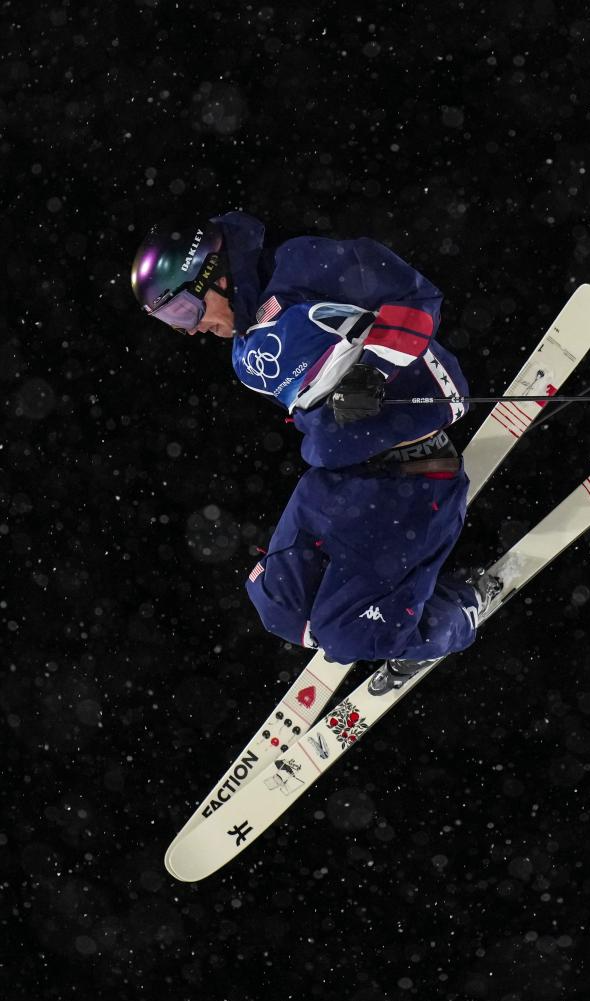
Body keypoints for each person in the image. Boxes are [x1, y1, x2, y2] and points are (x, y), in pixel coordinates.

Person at [131, 211, 500, 687]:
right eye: (172, 322)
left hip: (411, 476)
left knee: (347, 635)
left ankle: (451, 613)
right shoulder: (245, 356)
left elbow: (415, 296)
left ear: (214, 275)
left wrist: (372, 371)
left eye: (185, 311)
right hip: (339, 481)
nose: (191, 329)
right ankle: (371, 620)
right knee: (276, 602)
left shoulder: (300, 266)